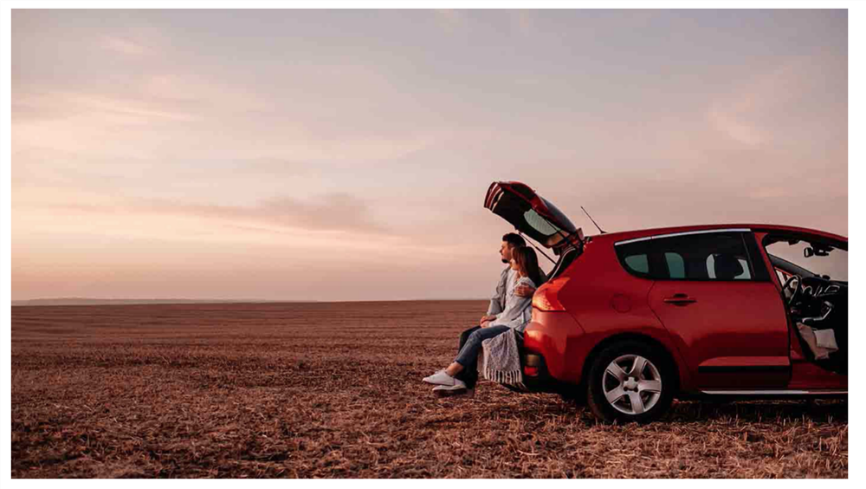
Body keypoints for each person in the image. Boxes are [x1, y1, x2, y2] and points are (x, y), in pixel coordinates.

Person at [422, 245, 545, 395]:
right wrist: (494, 317)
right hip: (510, 321)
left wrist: (491, 324)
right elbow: (509, 311)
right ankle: (460, 381)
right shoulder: (521, 281)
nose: (511, 260)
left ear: (521, 261)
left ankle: (450, 373)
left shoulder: (524, 285)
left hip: (516, 325)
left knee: (478, 335)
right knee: (469, 334)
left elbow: (511, 314)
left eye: (514, 258)